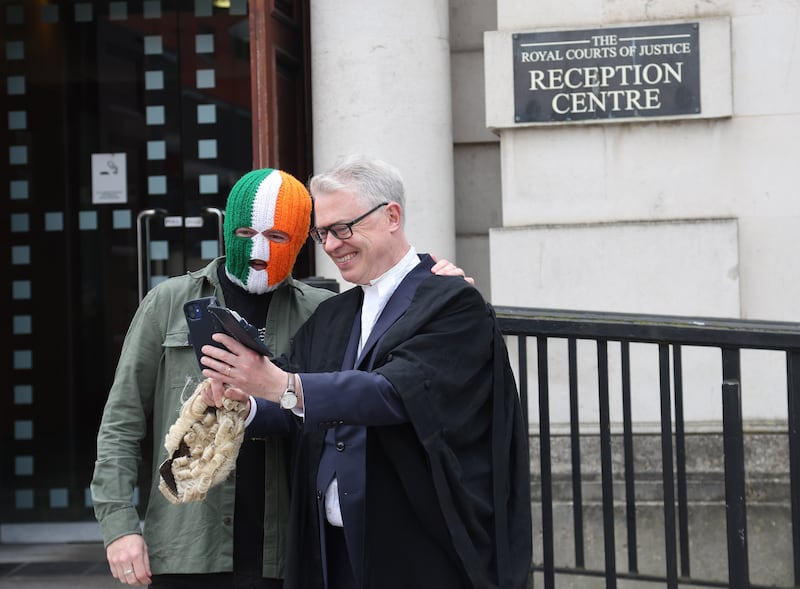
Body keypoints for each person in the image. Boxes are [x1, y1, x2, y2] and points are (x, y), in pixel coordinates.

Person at [90, 166, 469, 588]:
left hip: (284, 549)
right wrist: (120, 525)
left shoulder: (325, 311)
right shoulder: (169, 301)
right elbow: (122, 420)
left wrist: (432, 281)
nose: (257, 249)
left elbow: (377, 369)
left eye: (276, 237)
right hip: (188, 543)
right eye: (244, 233)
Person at [200, 155, 533, 589]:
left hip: (415, 547)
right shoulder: (335, 312)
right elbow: (295, 402)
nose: (333, 245)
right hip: (332, 548)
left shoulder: (452, 302)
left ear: (391, 216)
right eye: (323, 234)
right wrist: (245, 404)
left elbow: (394, 393)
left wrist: (281, 384)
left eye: (344, 228)